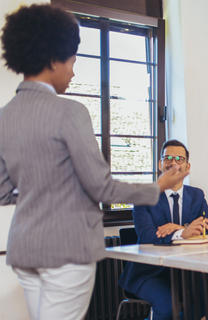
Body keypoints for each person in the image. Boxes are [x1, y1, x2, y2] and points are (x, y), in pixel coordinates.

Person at [0, 5, 188, 320]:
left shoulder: (5, 115)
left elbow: (3, 192)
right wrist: (159, 186)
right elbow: (100, 186)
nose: (73, 71)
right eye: (72, 61)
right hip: (67, 247)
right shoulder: (70, 111)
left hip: (24, 247)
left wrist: (47, 191)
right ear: (53, 58)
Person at [118, 140, 208, 320]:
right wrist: (183, 234)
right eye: (168, 158)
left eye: (179, 159)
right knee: (166, 305)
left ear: (187, 166)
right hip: (149, 272)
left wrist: (182, 228)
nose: (173, 162)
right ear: (160, 164)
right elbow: (147, 235)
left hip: (185, 270)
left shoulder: (196, 195)